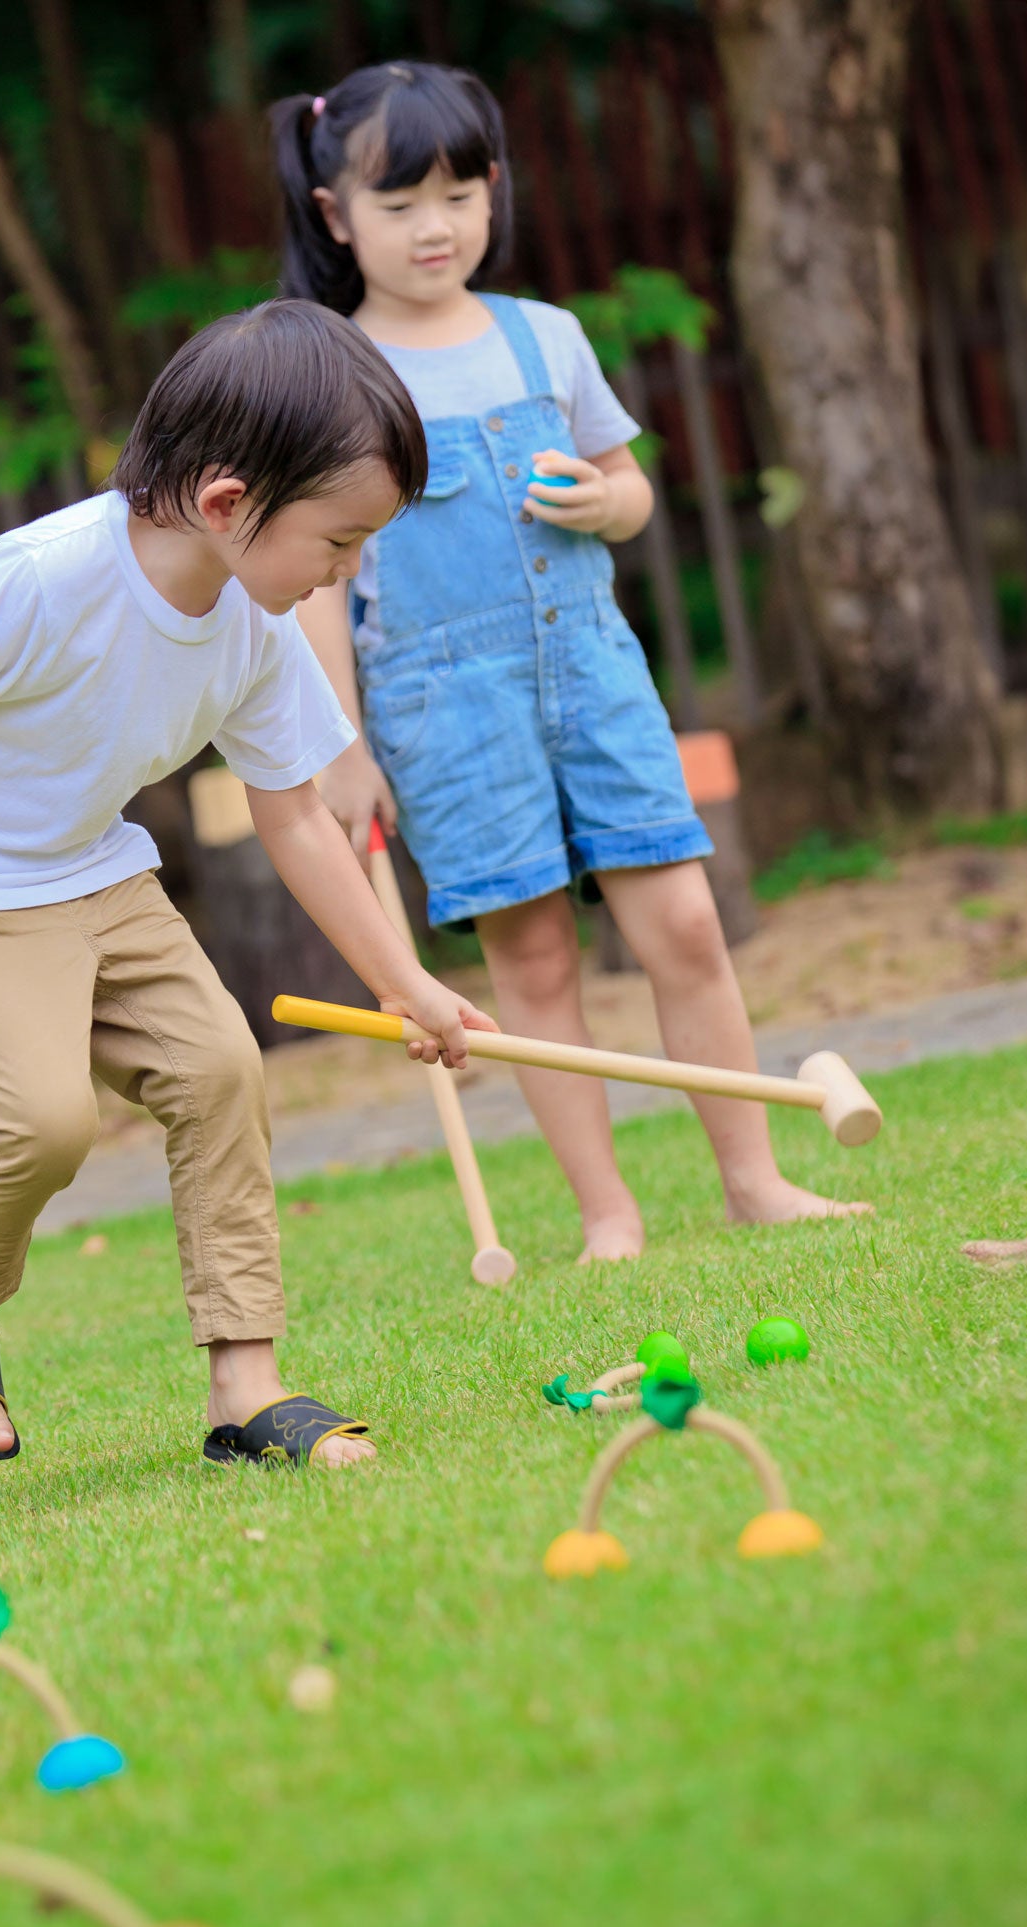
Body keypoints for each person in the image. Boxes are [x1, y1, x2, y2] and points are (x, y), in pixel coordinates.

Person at [0, 299, 497, 1469]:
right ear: (230, 503)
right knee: (42, 1119)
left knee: (218, 1068)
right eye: (337, 543)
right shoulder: (43, 575)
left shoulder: (253, 623)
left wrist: (406, 986)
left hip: (89, 868)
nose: (346, 571)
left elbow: (291, 814)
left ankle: (244, 1383)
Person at [273, 61, 868, 1262]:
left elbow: (629, 486)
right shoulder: (333, 373)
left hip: (593, 673)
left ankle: (750, 1178)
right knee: (531, 956)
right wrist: (339, 747)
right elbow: (316, 586)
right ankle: (607, 1213)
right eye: (397, 205)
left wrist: (607, 503)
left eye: (458, 193)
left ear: (493, 190)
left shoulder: (545, 334)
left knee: (687, 926)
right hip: (442, 707)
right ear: (335, 215)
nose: (434, 226)